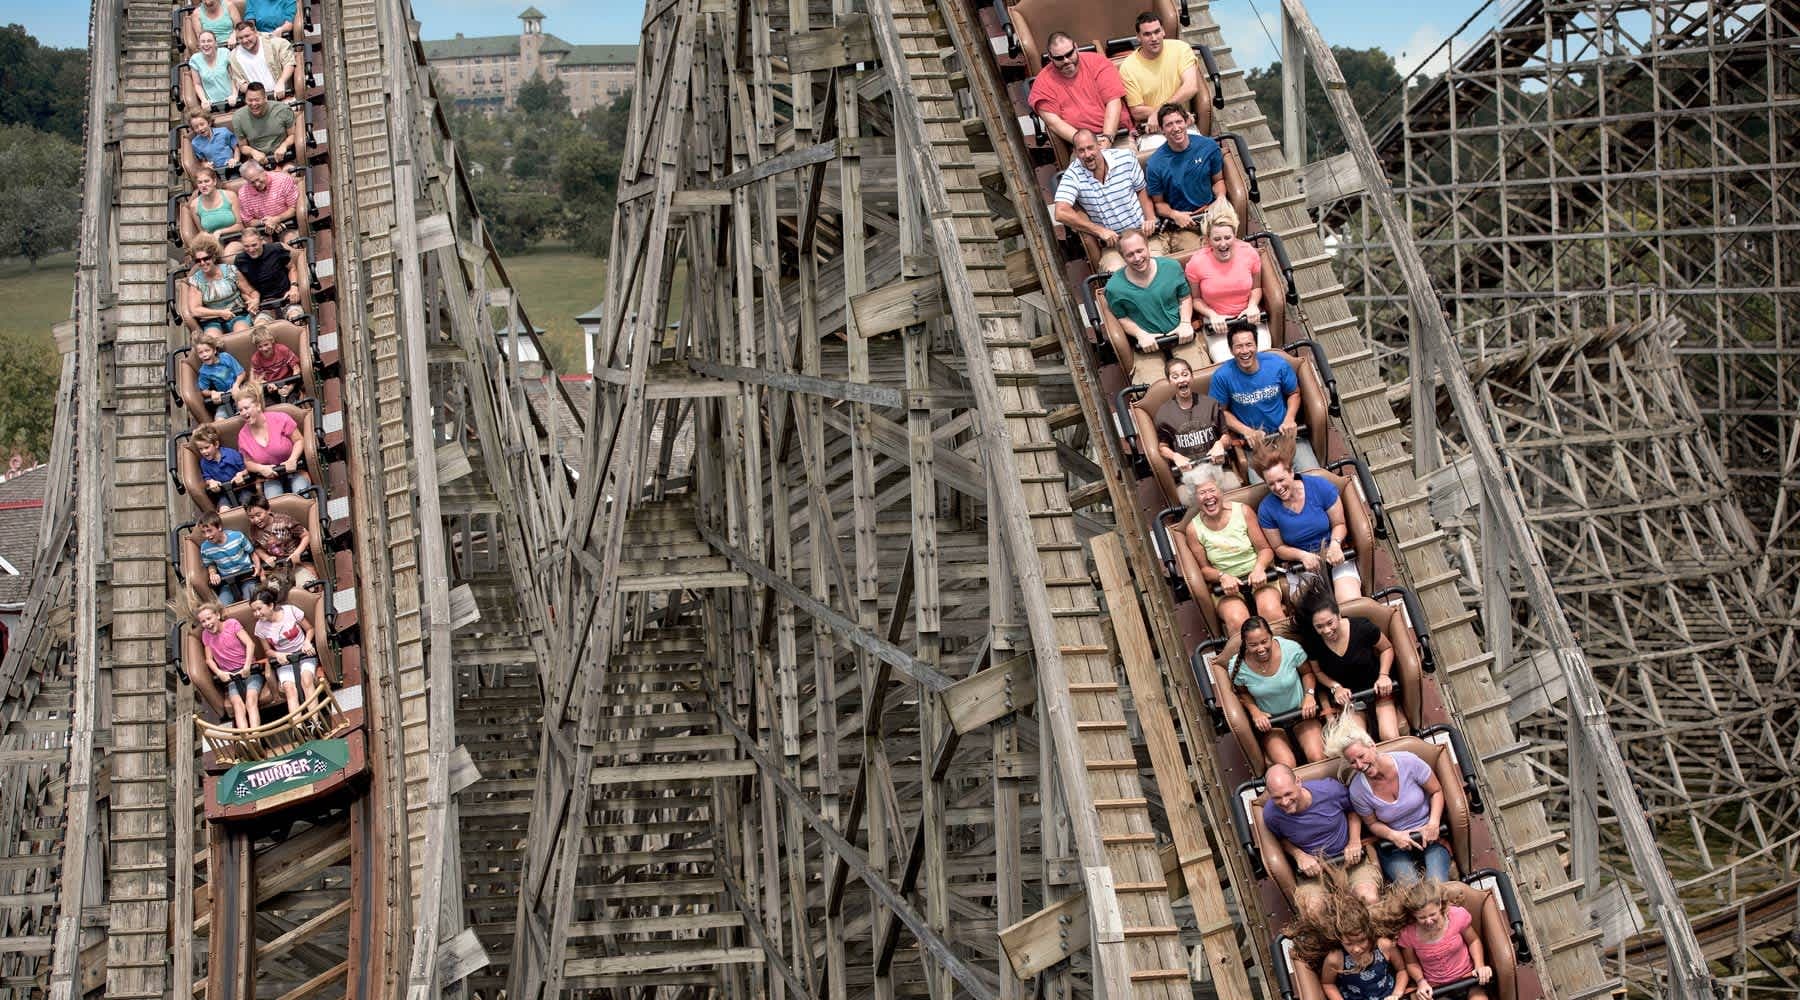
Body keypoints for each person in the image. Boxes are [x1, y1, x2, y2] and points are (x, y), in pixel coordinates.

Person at [1328, 719, 1452, 884]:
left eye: (1361, 756)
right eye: (1352, 762)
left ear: (1372, 746)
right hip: (1394, 846)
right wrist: (1394, 836)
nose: (1359, 765)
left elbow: (1436, 791)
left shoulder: (1408, 761)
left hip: (1429, 836)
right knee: (1413, 892)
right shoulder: (1357, 790)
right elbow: (1372, 824)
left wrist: (1433, 823)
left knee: (1437, 884)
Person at [1261, 764, 1383, 911]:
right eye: (1277, 798)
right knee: (1313, 912)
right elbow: (1281, 840)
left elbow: (1353, 811)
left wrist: (1354, 841)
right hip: (1314, 872)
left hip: (1351, 861)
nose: (1285, 802)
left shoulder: (1330, 790)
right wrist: (1299, 855)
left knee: (1369, 898)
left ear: (1298, 782)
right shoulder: (1271, 814)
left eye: (1288, 794)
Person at [1292, 576, 1400, 739]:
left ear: (1339, 615)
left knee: (1389, 734)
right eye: (1319, 627)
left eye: (1330, 623)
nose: (1327, 631)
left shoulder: (1362, 626)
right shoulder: (1314, 642)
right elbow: (1318, 672)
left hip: (1378, 688)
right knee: (1356, 740)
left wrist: (1383, 675)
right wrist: (1336, 687)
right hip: (1350, 699)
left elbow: (1387, 648)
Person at [1182, 462, 1283, 633]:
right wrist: (1222, 576)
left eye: (1212, 490)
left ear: (1220, 491)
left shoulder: (1243, 511)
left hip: (1260, 577)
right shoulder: (1193, 529)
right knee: (1238, 622)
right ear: (1195, 498)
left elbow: (1265, 549)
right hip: (1226, 588)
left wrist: (1259, 568)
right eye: (1202, 492)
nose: (1208, 497)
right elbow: (1205, 569)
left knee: (1270, 611)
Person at [1254, 447, 1360, 601]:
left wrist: (1335, 545)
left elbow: (1339, 524)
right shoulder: (1266, 509)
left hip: (1333, 553)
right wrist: (1302, 556)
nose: (1277, 487)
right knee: (1314, 611)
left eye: (1281, 480)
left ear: (1291, 472)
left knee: (1349, 599)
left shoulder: (1319, 486)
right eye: (1271, 484)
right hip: (1301, 566)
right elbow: (1278, 548)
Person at [1209, 325, 1319, 473]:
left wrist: (1289, 418)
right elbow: (1220, 412)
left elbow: (1294, 393)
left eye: (1249, 345)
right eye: (1239, 346)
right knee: (1269, 487)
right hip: (1255, 445)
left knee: (1313, 475)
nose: (1245, 351)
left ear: (1256, 345)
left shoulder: (1277, 364)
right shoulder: (1222, 376)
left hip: (1285, 436)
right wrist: (1247, 431)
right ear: (1231, 350)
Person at [1105, 230, 1202, 384]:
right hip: (1147, 345)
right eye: (1130, 255)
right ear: (1123, 257)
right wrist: (1140, 333)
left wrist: (1185, 323)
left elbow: (1184, 297)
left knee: (1197, 378)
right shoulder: (1114, 287)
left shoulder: (1171, 267)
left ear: (1148, 247)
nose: (1137, 258)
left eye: (1140, 251)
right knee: (1152, 387)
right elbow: (1121, 317)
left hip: (1179, 335)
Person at [1226, 616, 1324, 766]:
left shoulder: (1290, 648)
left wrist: (1309, 695)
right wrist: (1255, 712)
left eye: (1264, 641)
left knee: (1317, 757)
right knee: (1287, 765)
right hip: (1272, 724)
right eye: (1253, 645)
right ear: (1245, 643)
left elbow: (1307, 673)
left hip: (1301, 714)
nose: (1260, 648)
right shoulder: (1237, 666)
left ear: (1271, 636)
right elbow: (1243, 693)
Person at [1053, 130, 1157, 270]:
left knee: (1156, 266)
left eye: (1090, 148)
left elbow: (1141, 189)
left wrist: (1150, 218)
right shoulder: (1072, 175)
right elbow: (1060, 213)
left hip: (1142, 235)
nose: (1087, 155)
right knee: (1116, 274)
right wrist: (1099, 231)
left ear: (1100, 145)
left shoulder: (1125, 157)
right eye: (1081, 151)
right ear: (1076, 153)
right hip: (1114, 245)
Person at [1186, 205, 1270, 362]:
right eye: (1217, 239)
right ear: (1208, 240)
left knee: (1261, 359)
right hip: (1218, 323)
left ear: (1235, 235)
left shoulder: (1249, 253)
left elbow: (1256, 287)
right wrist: (1212, 315)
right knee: (1227, 362)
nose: (1223, 244)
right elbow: (1196, 299)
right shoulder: (1197, 263)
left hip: (1248, 317)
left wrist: (1252, 305)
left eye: (1227, 238)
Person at [1117, 13, 1201, 152]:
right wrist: (1164, 115)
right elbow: (1137, 111)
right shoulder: (1128, 67)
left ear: (1163, 31)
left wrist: (1160, 113)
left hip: (1182, 122)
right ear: (1138, 37)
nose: (1154, 38)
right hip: (1152, 130)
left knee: (1198, 154)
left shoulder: (1181, 48)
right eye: (1147, 34)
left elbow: (1191, 87)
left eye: (1157, 32)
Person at [1146, 104, 1224, 249]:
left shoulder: (1208, 146)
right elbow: (1159, 204)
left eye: (1178, 122)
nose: (1176, 128)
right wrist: (1174, 215)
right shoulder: (1155, 164)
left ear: (1186, 122)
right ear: (1162, 130)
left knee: (1226, 242)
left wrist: (1220, 199)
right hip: (1184, 223)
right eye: (1169, 125)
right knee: (1198, 253)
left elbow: (1218, 180)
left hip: (1212, 212)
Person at [1397, 880, 1490, 1000]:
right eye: (1422, 917)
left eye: (1432, 914)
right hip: (1437, 987)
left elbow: (1473, 941)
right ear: (1414, 915)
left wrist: (1479, 965)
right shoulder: (1408, 934)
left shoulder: (1456, 916)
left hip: (1467, 977)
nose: (1428, 921)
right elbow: (1411, 963)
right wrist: (1421, 981)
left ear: (1439, 905)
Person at [1029, 31, 1126, 147]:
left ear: (1076, 47)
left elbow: (1113, 102)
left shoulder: (1098, 62)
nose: (1066, 61)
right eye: (1059, 58)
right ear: (1050, 57)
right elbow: (1054, 123)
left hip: (1117, 135)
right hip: (1080, 147)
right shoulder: (1042, 84)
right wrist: (1087, 144)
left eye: (1069, 54)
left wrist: (1107, 138)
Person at [1319, 895, 1410, 1000]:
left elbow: (1402, 970)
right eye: (1349, 944)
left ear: (1369, 933)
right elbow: (1328, 984)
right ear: (1339, 939)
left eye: (1362, 941)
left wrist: (1397, 994)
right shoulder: (1335, 959)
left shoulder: (1384, 946)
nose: (1356, 949)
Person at [1154, 357, 1229, 476]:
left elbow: (1226, 436)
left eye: (1185, 374)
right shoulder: (1163, 414)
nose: (1181, 380)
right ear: (1169, 382)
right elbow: (1162, 447)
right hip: (1188, 475)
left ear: (1192, 377)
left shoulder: (1211, 404)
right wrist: (1175, 456)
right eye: (1175, 377)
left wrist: (1220, 444)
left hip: (1217, 469)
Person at [232, 387, 311, 497]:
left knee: (301, 493)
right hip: (270, 477)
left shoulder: (280, 418)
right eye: (240, 410)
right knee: (273, 500)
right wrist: (261, 468)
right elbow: (248, 462)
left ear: (258, 406)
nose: (244, 413)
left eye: (246, 408)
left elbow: (299, 440)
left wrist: (293, 459)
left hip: (295, 470)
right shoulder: (242, 436)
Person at [250, 588, 318, 715]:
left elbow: (310, 629)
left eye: (259, 609)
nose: (257, 613)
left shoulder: (290, 611)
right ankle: (299, 726)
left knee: (306, 680)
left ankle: (315, 721)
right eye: (254, 611)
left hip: (303, 653)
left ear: (271, 605)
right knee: (289, 689)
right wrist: (278, 654)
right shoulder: (259, 627)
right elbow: (267, 651)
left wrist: (307, 642)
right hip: (284, 660)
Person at [196, 601, 262, 729]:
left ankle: (255, 735)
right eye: (203, 622)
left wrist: (247, 666)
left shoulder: (232, 624)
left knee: (250, 701)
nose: (207, 624)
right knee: (237, 705)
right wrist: (219, 672)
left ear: (218, 615)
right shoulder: (206, 635)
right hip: (231, 676)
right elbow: (209, 659)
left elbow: (250, 644)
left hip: (249, 670)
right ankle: (246, 740)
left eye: (209, 618)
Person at [185, 234, 255, 334]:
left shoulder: (230, 270)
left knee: (241, 333)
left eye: (206, 259)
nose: (202, 263)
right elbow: (195, 310)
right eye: (198, 261)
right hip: (212, 320)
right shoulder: (196, 281)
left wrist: (254, 300)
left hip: (237, 314)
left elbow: (250, 291)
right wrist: (220, 313)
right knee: (212, 339)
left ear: (213, 257)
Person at [243, 491, 317, 586]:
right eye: (251, 517)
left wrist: (297, 553)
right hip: (277, 568)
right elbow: (257, 547)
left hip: (297, 563)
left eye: (258, 515)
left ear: (268, 510)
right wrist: (266, 557)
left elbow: (306, 535)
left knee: (306, 585)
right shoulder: (253, 529)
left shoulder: (284, 521)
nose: (256, 520)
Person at [236, 227, 305, 323]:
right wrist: (251, 300)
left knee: (296, 318)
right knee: (261, 328)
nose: (251, 249)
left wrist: (294, 287)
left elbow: (292, 268)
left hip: (286, 299)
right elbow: (244, 288)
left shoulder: (276, 249)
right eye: (246, 246)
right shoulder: (240, 260)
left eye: (254, 245)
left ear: (261, 241)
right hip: (264, 306)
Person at [196, 512, 258, 604]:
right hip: (227, 581)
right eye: (203, 532)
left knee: (251, 598)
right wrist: (213, 573)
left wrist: (257, 566)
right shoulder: (205, 548)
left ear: (219, 527)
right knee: (222, 604)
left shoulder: (237, 537)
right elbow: (211, 564)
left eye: (209, 531)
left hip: (246, 575)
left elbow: (252, 552)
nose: (207, 536)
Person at [192, 424, 256, 510]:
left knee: (248, 504)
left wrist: (240, 474)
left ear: (216, 444)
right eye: (200, 449)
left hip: (242, 488)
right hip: (224, 493)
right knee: (224, 510)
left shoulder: (232, 454)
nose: (204, 452)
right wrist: (211, 482)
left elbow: (247, 469)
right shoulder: (204, 463)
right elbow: (207, 478)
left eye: (206, 447)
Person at [231, 83, 296, 165]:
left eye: (257, 100)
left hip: (285, 157)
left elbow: (293, 135)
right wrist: (253, 152)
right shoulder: (238, 117)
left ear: (265, 98)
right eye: (250, 100)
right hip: (259, 162)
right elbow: (243, 146)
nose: (253, 104)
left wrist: (284, 146)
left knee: (289, 173)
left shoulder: (283, 109)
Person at [229, 25, 296, 99]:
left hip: (283, 95)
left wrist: (281, 81)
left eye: (247, 36)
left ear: (256, 33)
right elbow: (240, 81)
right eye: (240, 38)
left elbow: (289, 63)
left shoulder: (275, 43)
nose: (244, 40)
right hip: (257, 102)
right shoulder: (234, 56)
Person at [185, 167, 244, 250]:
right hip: (214, 244)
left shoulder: (230, 195)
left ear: (214, 181)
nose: (204, 185)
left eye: (206, 181)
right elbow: (202, 231)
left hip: (236, 238)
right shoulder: (194, 205)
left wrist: (220, 232)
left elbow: (240, 225)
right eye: (200, 182)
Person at [235, 161, 300, 238]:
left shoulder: (283, 179)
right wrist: (266, 222)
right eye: (252, 182)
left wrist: (276, 219)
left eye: (258, 179)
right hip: (262, 230)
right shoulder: (243, 194)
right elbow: (248, 222)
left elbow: (293, 209)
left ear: (263, 172)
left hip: (288, 223)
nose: (257, 184)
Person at [193, 333, 248, 418]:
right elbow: (203, 390)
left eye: (207, 351)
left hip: (240, 390)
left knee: (243, 408)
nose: (204, 355)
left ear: (214, 350)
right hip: (225, 397)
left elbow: (241, 373)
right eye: (200, 353)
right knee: (219, 417)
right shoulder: (203, 371)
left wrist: (236, 385)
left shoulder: (225, 357)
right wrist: (213, 392)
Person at [248, 317, 303, 398]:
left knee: (292, 399)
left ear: (272, 341)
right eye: (260, 346)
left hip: (288, 381)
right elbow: (259, 379)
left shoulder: (282, 349)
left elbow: (296, 368)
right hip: (271, 386)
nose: (264, 349)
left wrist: (290, 387)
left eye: (266, 345)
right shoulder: (256, 359)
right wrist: (268, 385)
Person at [188, 31, 238, 108]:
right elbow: (197, 84)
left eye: (209, 41)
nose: (206, 44)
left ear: (215, 43)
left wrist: (234, 95)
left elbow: (234, 77)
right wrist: (203, 100)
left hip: (231, 99)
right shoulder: (195, 59)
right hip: (212, 104)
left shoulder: (225, 53)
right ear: (199, 45)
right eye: (203, 42)